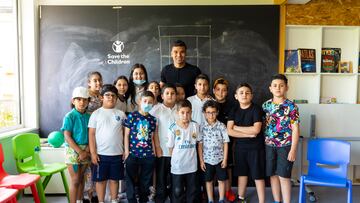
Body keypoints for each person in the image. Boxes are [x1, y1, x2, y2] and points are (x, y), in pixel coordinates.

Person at [262, 74, 300, 203]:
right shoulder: (265, 106)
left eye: (281, 85)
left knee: (284, 176)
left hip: (285, 145)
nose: (278, 88)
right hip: (269, 146)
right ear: (270, 88)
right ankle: (277, 200)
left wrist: (293, 150)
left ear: (287, 88)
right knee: (273, 175)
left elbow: (295, 129)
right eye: (275, 85)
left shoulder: (291, 106)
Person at [227, 83, 266, 203]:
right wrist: (248, 134)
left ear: (252, 96)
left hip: (256, 148)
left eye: (247, 92)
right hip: (240, 148)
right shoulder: (233, 110)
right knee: (242, 174)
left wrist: (237, 127)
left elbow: (256, 130)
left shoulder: (256, 109)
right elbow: (229, 131)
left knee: (258, 175)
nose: (244, 95)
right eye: (241, 92)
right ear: (236, 96)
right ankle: (241, 198)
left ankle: (262, 201)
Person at [88, 84, 127, 203]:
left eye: (113, 95)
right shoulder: (96, 114)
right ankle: (101, 201)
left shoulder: (121, 114)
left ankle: (114, 200)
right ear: (101, 97)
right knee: (100, 180)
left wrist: (126, 150)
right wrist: (93, 153)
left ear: (116, 98)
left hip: (117, 154)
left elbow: (126, 134)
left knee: (115, 180)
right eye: (107, 95)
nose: (110, 97)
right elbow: (91, 135)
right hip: (100, 155)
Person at [123, 91, 157, 203]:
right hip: (133, 154)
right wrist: (127, 152)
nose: (147, 104)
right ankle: (132, 200)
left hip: (148, 155)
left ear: (153, 103)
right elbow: (126, 135)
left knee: (145, 182)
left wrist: (154, 153)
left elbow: (152, 137)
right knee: (130, 180)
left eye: (150, 102)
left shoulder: (153, 119)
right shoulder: (132, 116)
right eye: (145, 101)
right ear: (139, 102)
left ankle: (143, 200)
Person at [61, 86, 91, 203]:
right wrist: (80, 152)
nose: (82, 102)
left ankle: (79, 200)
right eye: (79, 99)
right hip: (73, 150)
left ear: (88, 101)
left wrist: (87, 150)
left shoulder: (89, 117)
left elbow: (91, 135)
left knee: (81, 178)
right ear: (73, 101)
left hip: (86, 149)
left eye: (85, 99)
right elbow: (67, 136)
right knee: (75, 180)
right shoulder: (70, 116)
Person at [167, 100, 200, 203]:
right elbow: (170, 148)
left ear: (191, 112)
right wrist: (176, 160)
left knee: (192, 190)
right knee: (177, 191)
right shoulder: (173, 127)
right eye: (182, 112)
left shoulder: (195, 126)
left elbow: (198, 143)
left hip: (192, 165)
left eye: (188, 112)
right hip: (178, 166)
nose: (185, 115)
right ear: (177, 113)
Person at [150, 84, 178, 203]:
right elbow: (153, 131)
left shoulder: (180, 109)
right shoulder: (156, 110)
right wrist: (157, 147)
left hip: (178, 151)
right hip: (162, 149)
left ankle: (174, 197)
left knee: (175, 178)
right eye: (167, 93)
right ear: (162, 96)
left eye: (172, 93)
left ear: (176, 95)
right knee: (161, 177)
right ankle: (160, 197)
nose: (170, 96)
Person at [198, 100, 229, 203]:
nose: (211, 115)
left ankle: (221, 199)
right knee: (208, 180)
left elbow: (225, 143)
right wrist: (201, 161)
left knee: (221, 180)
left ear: (217, 112)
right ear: (204, 113)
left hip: (220, 159)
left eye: (213, 112)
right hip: (207, 159)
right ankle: (210, 199)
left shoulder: (222, 126)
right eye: (208, 112)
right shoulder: (201, 127)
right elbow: (200, 144)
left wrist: (225, 159)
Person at [212, 78, 236, 202]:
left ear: (227, 92)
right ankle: (211, 191)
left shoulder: (232, 106)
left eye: (224, 90)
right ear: (213, 90)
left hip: (227, 141)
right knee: (212, 166)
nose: (220, 93)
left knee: (227, 167)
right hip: (211, 142)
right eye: (218, 90)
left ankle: (228, 191)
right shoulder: (209, 104)